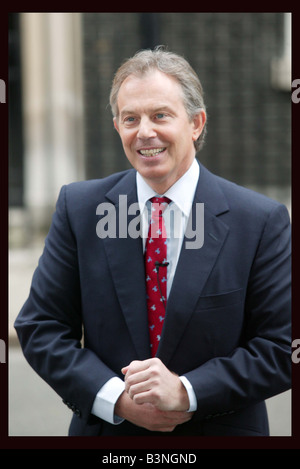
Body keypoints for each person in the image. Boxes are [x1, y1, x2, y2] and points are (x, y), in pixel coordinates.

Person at [14, 46, 291, 436]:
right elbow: (41, 327)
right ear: (117, 127)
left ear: (196, 123)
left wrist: (186, 392)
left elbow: (282, 348)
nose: (145, 132)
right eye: (131, 118)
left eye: (160, 115)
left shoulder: (260, 222)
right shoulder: (80, 209)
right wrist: (117, 400)